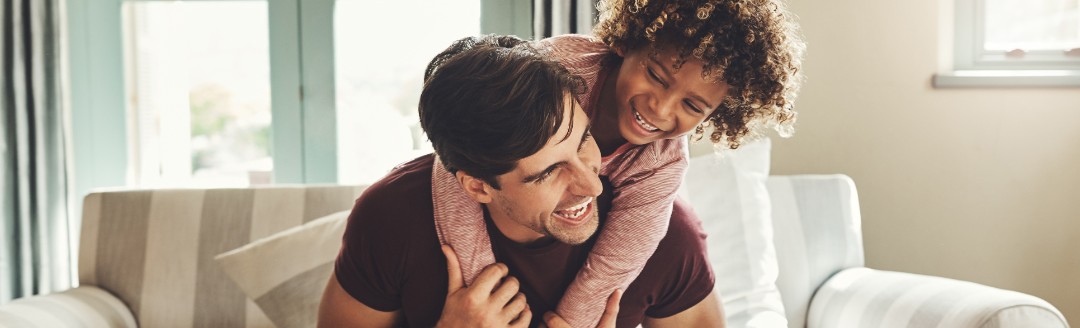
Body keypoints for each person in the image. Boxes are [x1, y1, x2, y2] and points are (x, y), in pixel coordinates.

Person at [435, 0, 805, 326]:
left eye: (692, 106)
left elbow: (614, 264)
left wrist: (569, 324)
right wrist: (482, 292)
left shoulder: (663, 166)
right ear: (626, 42)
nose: (659, 109)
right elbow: (460, 151)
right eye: (656, 76)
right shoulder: (555, 70)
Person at [318, 35, 724, 327]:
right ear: (477, 186)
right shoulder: (393, 217)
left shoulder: (667, 236)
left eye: (584, 141)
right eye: (548, 172)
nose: (593, 186)